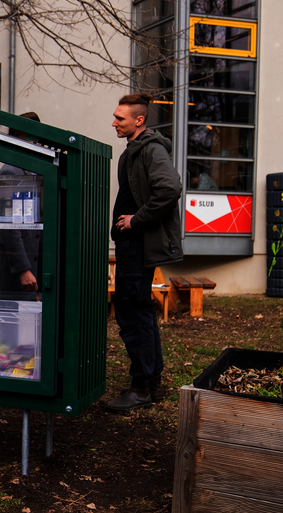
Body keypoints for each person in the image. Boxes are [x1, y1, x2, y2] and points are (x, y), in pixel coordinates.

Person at [105, 93, 183, 412]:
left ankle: (141, 388)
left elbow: (170, 188)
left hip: (137, 244)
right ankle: (150, 382)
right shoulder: (133, 152)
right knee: (140, 312)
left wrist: (136, 220)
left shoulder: (150, 149)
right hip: (130, 244)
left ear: (139, 120)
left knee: (132, 313)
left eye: (120, 119)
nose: (114, 122)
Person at [0, 112, 42, 301]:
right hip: (11, 270)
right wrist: (23, 269)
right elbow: (9, 225)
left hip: (30, 265)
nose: (38, 143)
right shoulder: (11, 171)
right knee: (9, 327)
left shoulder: (35, 169)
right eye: (34, 139)